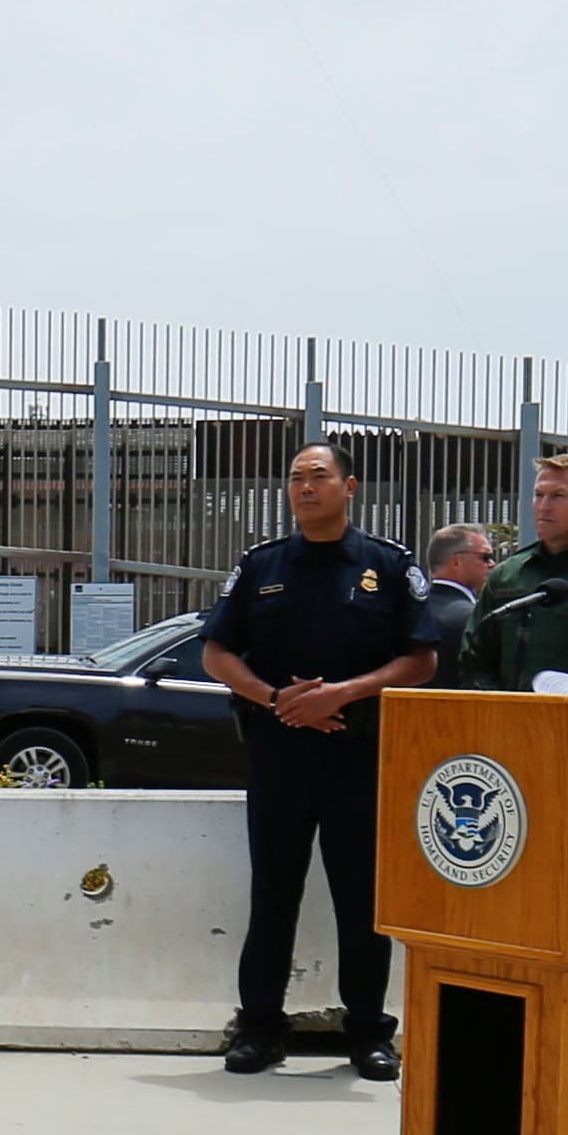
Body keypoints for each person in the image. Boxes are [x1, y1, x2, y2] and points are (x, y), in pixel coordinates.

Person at [197, 441, 441, 1078]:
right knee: (273, 894)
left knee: (361, 900)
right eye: (297, 478)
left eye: (320, 477)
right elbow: (217, 654)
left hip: (358, 756)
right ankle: (259, 1029)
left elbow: (421, 660)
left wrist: (344, 693)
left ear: (349, 486)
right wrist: (279, 700)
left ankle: (367, 1033)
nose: (306, 487)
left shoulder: (388, 566)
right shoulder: (262, 565)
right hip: (280, 754)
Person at [454, 453, 568, 689]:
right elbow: (475, 655)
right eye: (539, 495)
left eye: (558, 496)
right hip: (509, 717)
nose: (544, 506)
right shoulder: (508, 573)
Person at [421, 523, 495, 648]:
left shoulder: (410, 612)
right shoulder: (475, 618)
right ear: (456, 561)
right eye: (485, 557)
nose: (492, 563)